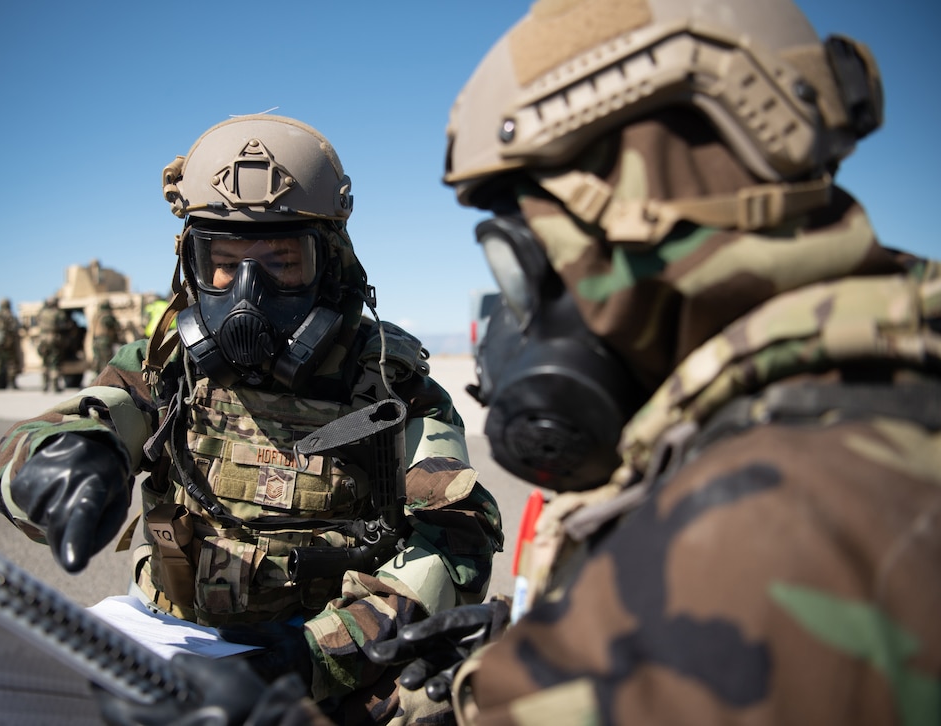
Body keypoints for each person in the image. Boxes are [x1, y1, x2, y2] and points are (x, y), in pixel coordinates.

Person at [364, 0, 941, 723]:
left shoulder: (765, 521)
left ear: (641, 206)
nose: (530, 311)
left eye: (531, 257)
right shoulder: (870, 392)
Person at [0, 114, 502, 725]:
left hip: (322, 656)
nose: (246, 293)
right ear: (191, 264)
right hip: (172, 637)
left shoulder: (391, 382)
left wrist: (310, 656)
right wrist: (61, 459)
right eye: (223, 261)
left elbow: (455, 536)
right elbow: (61, 430)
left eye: (282, 262)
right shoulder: (164, 365)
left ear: (330, 261)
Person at [0, 297, 23, 389]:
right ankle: (12, 383)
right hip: (8, 343)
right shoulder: (9, 315)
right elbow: (15, 327)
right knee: (11, 363)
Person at [36, 295, 69, 392]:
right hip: (53, 338)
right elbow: (64, 324)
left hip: (42, 338)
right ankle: (55, 386)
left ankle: (45, 385)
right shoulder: (58, 313)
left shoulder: (42, 312)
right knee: (54, 361)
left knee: (45, 362)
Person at [91, 299, 124, 373]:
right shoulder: (107, 316)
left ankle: (97, 377)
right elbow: (115, 326)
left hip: (96, 341)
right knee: (105, 361)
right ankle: (105, 377)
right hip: (104, 341)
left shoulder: (97, 316)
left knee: (98, 360)